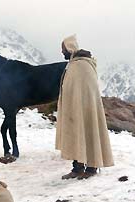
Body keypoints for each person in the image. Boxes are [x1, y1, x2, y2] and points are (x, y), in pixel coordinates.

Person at [56, 35, 114, 180]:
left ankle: (92, 167)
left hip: (86, 109)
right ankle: (77, 167)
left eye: (63, 49)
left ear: (70, 48)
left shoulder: (83, 65)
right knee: (76, 135)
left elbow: (87, 89)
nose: (62, 52)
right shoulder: (73, 64)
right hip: (74, 109)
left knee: (89, 133)